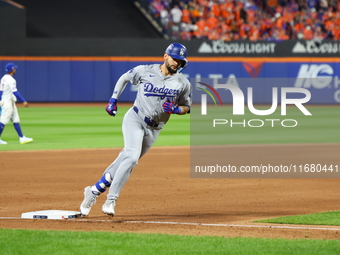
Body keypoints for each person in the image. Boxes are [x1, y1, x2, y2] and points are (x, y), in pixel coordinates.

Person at [79, 43, 192, 216]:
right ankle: (111, 200)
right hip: (136, 119)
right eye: (174, 58)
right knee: (131, 158)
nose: (177, 63)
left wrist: (177, 110)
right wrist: (113, 99)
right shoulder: (145, 70)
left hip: (155, 129)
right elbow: (124, 78)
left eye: (180, 61)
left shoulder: (182, 82)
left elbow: (187, 107)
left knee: (124, 161)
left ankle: (93, 191)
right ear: (165, 56)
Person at [0, 63, 33, 145]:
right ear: (12, 70)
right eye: (14, 68)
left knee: (16, 119)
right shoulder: (11, 80)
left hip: (7, 101)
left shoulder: (3, 78)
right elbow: (15, 92)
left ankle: (22, 137)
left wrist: (1, 99)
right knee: (3, 120)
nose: (15, 69)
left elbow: (0, 91)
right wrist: (23, 101)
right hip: (8, 102)